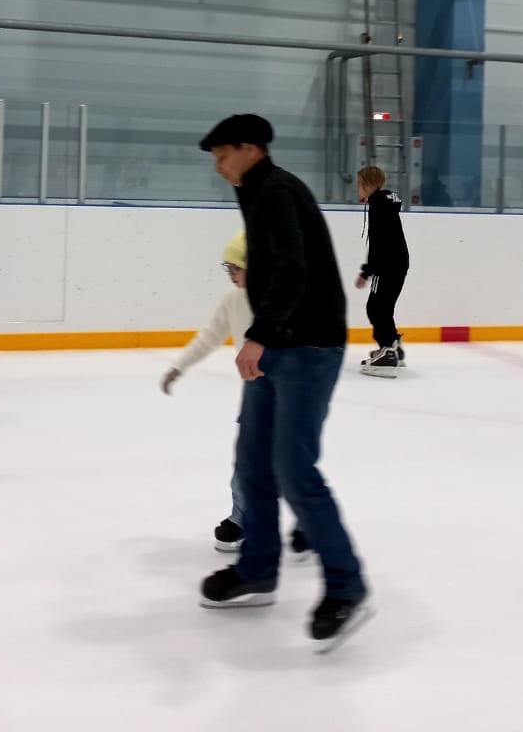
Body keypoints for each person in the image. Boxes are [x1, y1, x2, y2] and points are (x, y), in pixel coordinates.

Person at [195, 113, 371, 651]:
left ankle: (347, 587)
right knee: (252, 462)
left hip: (309, 347)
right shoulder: (256, 191)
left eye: (224, 155)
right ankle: (257, 570)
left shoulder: (275, 191)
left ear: (251, 149)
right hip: (280, 344)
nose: (219, 167)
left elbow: (294, 271)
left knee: (294, 469)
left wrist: (258, 335)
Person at [160, 231, 309, 561]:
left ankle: (308, 522)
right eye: (227, 266)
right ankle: (242, 518)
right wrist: (180, 366)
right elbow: (210, 336)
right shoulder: (233, 299)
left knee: (291, 462)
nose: (230, 272)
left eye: (236, 266)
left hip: (292, 391)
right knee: (248, 460)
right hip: (256, 390)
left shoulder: (284, 299)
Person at [354, 166, 410, 378]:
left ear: (367, 185)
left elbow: (378, 242)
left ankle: (388, 351)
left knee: (376, 308)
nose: (357, 189)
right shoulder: (384, 204)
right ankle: (393, 346)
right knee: (384, 307)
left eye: (359, 185)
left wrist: (367, 272)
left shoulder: (377, 206)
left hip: (387, 264)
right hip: (398, 262)